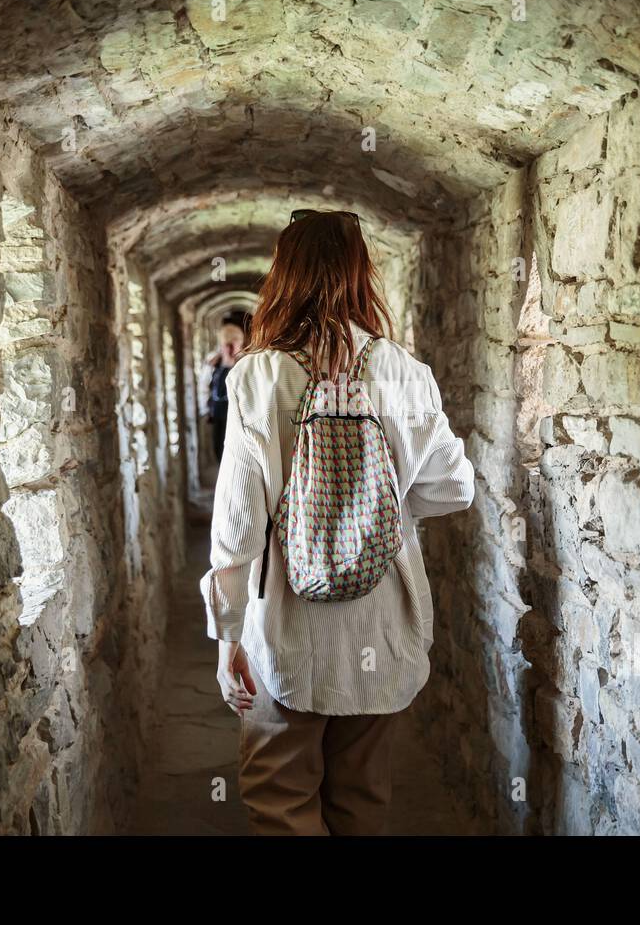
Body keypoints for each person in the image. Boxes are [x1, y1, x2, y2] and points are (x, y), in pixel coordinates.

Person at [199, 209, 474, 835]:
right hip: (383, 628)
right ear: (361, 275)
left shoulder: (258, 375)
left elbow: (237, 527)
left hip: (286, 633)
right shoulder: (405, 372)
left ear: (283, 277)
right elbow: (457, 489)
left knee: (281, 803)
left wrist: (227, 639)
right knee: (361, 807)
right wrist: (385, 507)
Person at [203, 315, 247, 462]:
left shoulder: (245, 364)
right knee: (219, 451)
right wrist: (207, 409)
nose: (230, 349)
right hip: (219, 415)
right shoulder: (213, 364)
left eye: (234, 344)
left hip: (239, 417)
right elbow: (205, 386)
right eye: (227, 344)